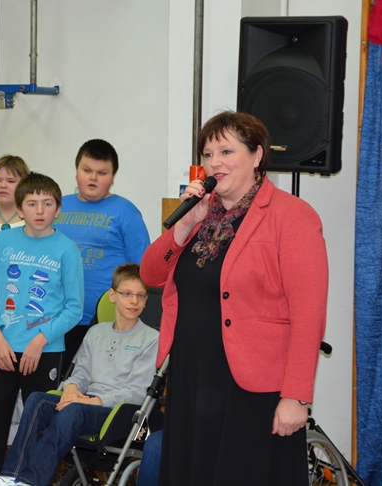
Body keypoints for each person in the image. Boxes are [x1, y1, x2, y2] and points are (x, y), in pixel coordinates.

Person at [140, 111, 328, 485]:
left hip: (252, 387)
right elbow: (150, 275)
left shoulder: (292, 216)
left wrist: (296, 396)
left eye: (227, 152)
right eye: (208, 154)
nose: (215, 163)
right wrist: (185, 224)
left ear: (257, 156)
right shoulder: (200, 216)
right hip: (193, 378)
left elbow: (308, 314)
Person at [0, 263, 159, 486]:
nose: (134, 301)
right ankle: (10, 476)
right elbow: (80, 373)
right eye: (127, 294)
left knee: (73, 410)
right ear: (112, 295)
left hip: (118, 411)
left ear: (146, 300)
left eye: (140, 296)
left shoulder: (152, 338)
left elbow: (137, 393)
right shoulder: (95, 332)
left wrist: (90, 401)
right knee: (38, 400)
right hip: (84, 404)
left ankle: (30, 481)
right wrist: (71, 388)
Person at [0, 172, 84, 485]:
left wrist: (40, 341)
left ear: (58, 209)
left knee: (39, 430)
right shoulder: (3, 241)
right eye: (32, 203)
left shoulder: (67, 249)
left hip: (44, 352)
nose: (40, 210)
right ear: (19, 209)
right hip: (0, 348)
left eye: (47, 203)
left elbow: (74, 308)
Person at [53, 139, 150, 363]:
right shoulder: (57, 207)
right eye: (87, 170)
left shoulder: (127, 212)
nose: (93, 178)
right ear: (76, 171)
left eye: (102, 173)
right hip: (58, 320)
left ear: (113, 177)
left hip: (107, 323)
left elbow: (142, 270)